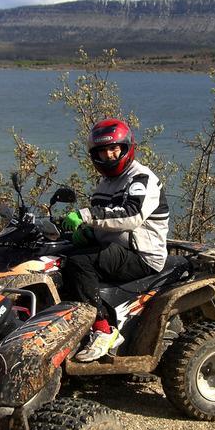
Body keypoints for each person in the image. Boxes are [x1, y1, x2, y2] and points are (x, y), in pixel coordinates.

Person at [60, 119, 170, 362]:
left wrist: (85, 216)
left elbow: (131, 215)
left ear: (126, 147)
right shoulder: (106, 184)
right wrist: (87, 233)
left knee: (79, 262)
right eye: (102, 151)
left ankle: (104, 329)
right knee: (59, 256)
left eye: (114, 149)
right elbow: (108, 222)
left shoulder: (141, 179)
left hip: (142, 256)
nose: (109, 155)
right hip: (116, 250)